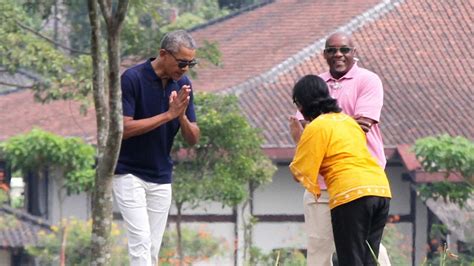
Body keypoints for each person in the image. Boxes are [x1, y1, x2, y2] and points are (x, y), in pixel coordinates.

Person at [289, 32, 391, 266]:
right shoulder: (342, 119)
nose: (338, 54)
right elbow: (355, 127)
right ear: (324, 54)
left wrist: (303, 140)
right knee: (366, 253)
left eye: (344, 49)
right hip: (377, 187)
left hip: (347, 189)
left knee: (350, 256)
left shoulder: (367, 80)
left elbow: (300, 171)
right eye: (332, 50)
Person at [113, 30, 200, 266]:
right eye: (182, 62)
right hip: (129, 172)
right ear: (163, 54)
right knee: (140, 241)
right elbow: (124, 128)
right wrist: (168, 115)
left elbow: (193, 137)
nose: (185, 69)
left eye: (190, 63)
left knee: (152, 247)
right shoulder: (132, 79)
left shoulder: (183, 84)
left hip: (161, 175)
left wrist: (180, 116)